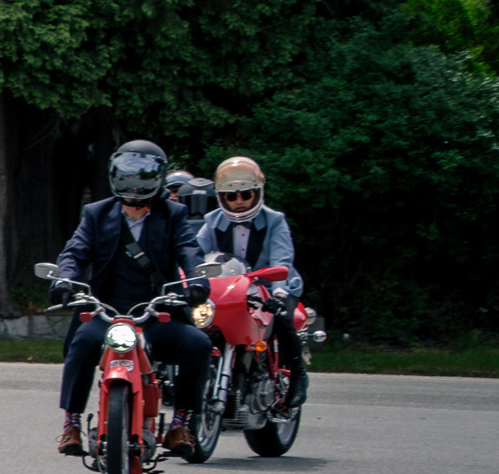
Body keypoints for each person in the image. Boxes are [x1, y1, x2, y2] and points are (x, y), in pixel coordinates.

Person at [47, 140, 211, 457]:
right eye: (126, 176)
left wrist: (197, 280)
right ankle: (72, 423)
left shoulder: (173, 214)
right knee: (82, 344)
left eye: (143, 177)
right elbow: (75, 251)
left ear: (159, 178)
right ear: (114, 176)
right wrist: (64, 279)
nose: (134, 186)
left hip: (156, 316)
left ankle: (181, 422)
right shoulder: (96, 213)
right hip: (107, 314)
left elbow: (189, 250)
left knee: (199, 344)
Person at [198, 155, 307, 405]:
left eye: (246, 194)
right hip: (229, 289)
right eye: (231, 196)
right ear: (221, 197)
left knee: (283, 318)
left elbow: (283, 262)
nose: (239, 201)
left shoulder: (275, 220)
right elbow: (194, 256)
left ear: (257, 193)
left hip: (272, 285)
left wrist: (279, 294)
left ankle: (298, 375)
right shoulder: (211, 222)